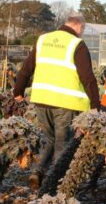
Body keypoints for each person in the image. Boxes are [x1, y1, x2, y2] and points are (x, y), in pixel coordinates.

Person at [13, 14, 100, 187]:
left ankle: (37, 173)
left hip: (41, 100)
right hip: (65, 103)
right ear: (80, 27)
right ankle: (55, 183)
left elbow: (26, 68)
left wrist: (18, 90)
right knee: (62, 144)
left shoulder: (43, 39)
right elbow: (88, 77)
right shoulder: (77, 44)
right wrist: (95, 104)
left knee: (49, 139)